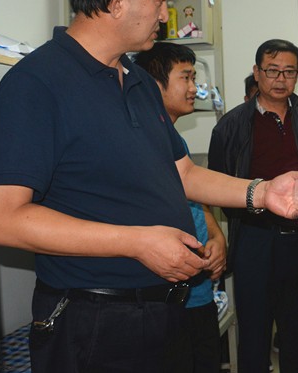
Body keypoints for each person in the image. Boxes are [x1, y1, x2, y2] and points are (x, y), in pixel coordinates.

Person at [0, 0, 298, 373]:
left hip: (166, 310)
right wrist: (136, 242)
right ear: (117, 1)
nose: (165, 13)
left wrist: (262, 191)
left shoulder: (137, 80)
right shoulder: (37, 83)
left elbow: (184, 174)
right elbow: (1, 219)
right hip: (94, 320)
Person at [208, 39, 298, 372]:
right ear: (257, 73)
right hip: (255, 240)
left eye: (289, 72)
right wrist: (257, 205)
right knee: (254, 336)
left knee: (297, 334)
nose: (281, 79)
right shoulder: (231, 125)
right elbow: (218, 188)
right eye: (272, 71)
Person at [133, 41, 226, 373]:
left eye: (194, 78)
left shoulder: (175, 141)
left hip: (198, 293)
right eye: (185, 78)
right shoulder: (138, 143)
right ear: (153, 84)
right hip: (165, 296)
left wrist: (217, 238)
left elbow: (194, 200)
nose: (194, 88)